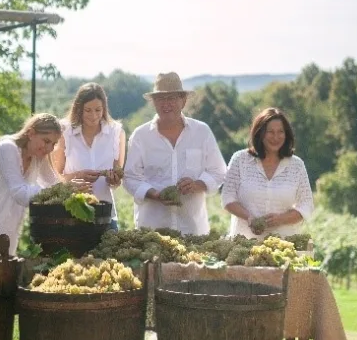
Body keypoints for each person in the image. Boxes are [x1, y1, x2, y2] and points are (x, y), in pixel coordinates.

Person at [0, 113, 90, 255]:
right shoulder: (7, 148)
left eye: (53, 144)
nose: (50, 148)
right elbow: (19, 193)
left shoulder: (38, 157)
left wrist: (74, 191)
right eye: (46, 141)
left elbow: (56, 185)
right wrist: (61, 189)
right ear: (31, 133)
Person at [123, 72, 227, 235]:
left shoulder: (202, 132)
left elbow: (219, 172)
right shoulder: (140, 136)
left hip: (193, 230)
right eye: (160, 99)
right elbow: (130, 177)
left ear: (183, 101)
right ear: (154, 103)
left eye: (171, 98)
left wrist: (196, 185)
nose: (166, 104)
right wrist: (155, 195)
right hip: (152, 231)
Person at [222, 107, 315, 238]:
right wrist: (250, 218)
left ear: (286, 134)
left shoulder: (296, 165)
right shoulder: (240, 160)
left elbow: (306, 205)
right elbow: (228, 199)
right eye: (270, 132)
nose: (276, 137)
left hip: (283, 247)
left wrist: (281, 219)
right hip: (243, 244)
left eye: (280, 132)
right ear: (260, 133)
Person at [51, 82, 126, 230]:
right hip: (71, 214)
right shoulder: (65, 132)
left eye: (98, 110)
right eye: (88, 110)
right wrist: (77, 176)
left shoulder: (116, 133)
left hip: (104, 215)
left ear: (104, 108)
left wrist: (114, 180)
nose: (94, 116)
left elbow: (118, 181)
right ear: (79, 109)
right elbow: (54, 177)